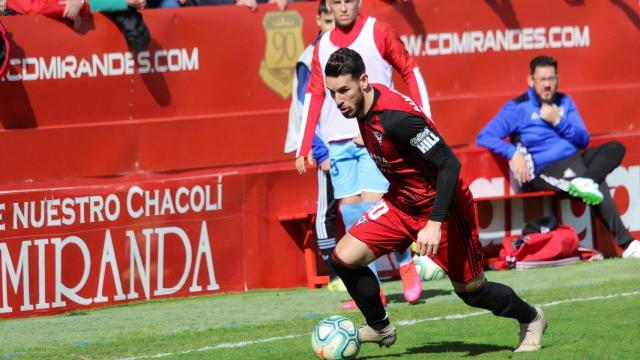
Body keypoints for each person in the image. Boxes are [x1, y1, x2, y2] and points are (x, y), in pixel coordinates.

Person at [324, 48, 546, 352]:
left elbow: (449, 164)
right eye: (332, 92)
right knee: (344, 258)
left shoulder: (397, 118)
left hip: (443, 208)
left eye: (344, 91)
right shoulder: (364, 109)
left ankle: (531, 317)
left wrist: (434, 223)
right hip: (401, 203)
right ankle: (380, 328)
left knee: (472, 291)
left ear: (364, 81)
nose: (337, 101)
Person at [296, 0, 425, 307]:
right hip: (337, 141)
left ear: (358, 2)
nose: (342, 8)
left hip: (374, 132)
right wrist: (305, 144)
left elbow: (410, 69)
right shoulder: (322, 45)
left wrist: (422, 117)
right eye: (336, 2)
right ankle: (373, 289)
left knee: (379, 206)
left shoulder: (378, 31)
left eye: (347, 1)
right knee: (352, 214)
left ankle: (406, 263)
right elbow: (314, 93)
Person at [477, 55, 640, 259]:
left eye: (551, 79)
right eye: (542, 80)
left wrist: (559, 121)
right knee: (597, 183)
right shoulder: (517, 107)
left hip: (576, 160)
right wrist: (512, 152)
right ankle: (627, 244)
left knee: (616, 148)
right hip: (546, 170)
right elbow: (484, 136)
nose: (547, 85)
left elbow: (583, 140)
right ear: (531, 81)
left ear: (557, 79)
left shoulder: (565, 101)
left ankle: (586, 181)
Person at [285, 0, 345, 291]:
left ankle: (402, 261)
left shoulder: (348, 50)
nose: (334, 26)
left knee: (371, 202)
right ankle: (335, 275)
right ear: (319, 21)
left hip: (354, 142)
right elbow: (304, 107)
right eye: (328, 21)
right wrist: (319, 150)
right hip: (328, 147)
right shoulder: (310, 58)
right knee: (327, 210)